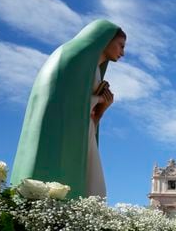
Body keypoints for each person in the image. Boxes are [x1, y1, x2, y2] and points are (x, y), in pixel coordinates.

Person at [11, 20, 126, 198]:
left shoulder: (93, 69)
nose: (122, 52)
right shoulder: (71, 58)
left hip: (81, 132)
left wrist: (101, 107)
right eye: (120, 45)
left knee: (95, 190)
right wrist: (98, 98)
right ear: (105, 39)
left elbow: (85, 111)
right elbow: (61, 100)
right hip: (61, 133)